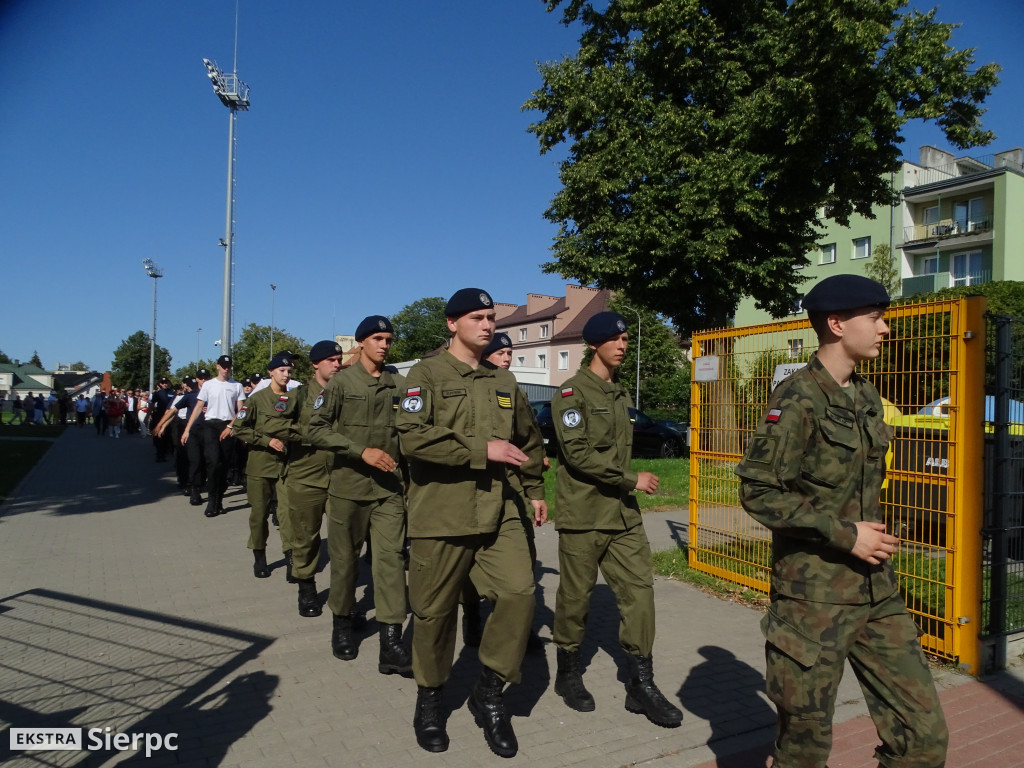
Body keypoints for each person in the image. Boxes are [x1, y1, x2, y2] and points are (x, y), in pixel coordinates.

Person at [735, 274, 948, 768]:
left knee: (924, 738)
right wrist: (845, 534)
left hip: (877, 591)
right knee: (804, 752)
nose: (885, 329)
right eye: (874, 318)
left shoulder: (868, 397)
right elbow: (758, 490)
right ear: (836, 323)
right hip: (813, 602)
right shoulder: (796, 399)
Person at [396, 288, 546, 757]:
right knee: (434, 615)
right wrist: (483, 449)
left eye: (490, 317)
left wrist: (536, 488)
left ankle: (489, 691)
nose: (486, 324)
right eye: (477, 317)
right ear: (451, 324)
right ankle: (430, 698)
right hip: (441, 514)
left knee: (520, 594)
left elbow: (529, 437)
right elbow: (414, 439)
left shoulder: (503, 381)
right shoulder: (425, 375)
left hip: (498, 511)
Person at [549, 311, 683, 727]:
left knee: (640, 594)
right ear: (595, 344)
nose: (623, 345)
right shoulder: (572, 394)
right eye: (615, 338)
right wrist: (631, 478)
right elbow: (578, 454)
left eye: (626, 338)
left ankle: (641, 686)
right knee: (576, 599)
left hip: (622, 516)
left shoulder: (620, 394)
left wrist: (629, 485)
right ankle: (568, 674)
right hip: (585, 514)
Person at [308, 319, 412, 673]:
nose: (384, 345)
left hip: (389, 490)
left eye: (388, 340)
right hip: (348, 487)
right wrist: (359, 451)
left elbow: (413, 431)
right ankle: (342, 624)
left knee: (391, 561)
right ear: (361, 343)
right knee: (345, 560)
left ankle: (391, 642)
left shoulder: (400, 384)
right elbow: (315, 429)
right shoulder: (340, 383)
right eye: (377, 339)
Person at [461, 331, 546, 653]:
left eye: (510, 353)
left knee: (524, 560)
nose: (507, 358)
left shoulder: (513, 389)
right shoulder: (471, 388)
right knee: (470, 563)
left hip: (512, 489)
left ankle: (520, 627)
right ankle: (471, 614)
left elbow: (528, 437)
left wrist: (534, 484)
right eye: (501, 352)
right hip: (472, 488)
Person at [281, 340, 344, 619]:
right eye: (330, 359)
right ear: (316, 364)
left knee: (344, 540)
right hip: (306, 477)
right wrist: (313, 435)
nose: (337, 364)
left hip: (342, 477)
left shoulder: (347, 393)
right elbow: (275, 425)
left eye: (339, 359)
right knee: (305, 538)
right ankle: (306, 588)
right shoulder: (298, 395)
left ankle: (344, 597)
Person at [231, 353, 297, 581]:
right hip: (260, 467)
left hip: (285, 468)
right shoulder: (256, 400)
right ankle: (259, 558)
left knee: (288, 514)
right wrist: (266, 440)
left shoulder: (294, 399)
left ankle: (291, 560)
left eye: (289, 372)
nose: (286, 375)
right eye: (282, 371)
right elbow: (239, 428)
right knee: (259, 516)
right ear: (271, 372)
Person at [182, 355, 245, 518]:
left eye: (229, 365)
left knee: (224, 465)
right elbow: (198, 407)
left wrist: (233, 426)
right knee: (213, 462)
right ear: (218, 367)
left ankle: (219, 499)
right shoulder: (209, 385)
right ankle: (211, 499)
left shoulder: (236, 386)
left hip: (228, 426)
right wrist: (187, 429)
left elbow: (241, 410)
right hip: (210, 425)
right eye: (223, 365)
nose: (226, 368)